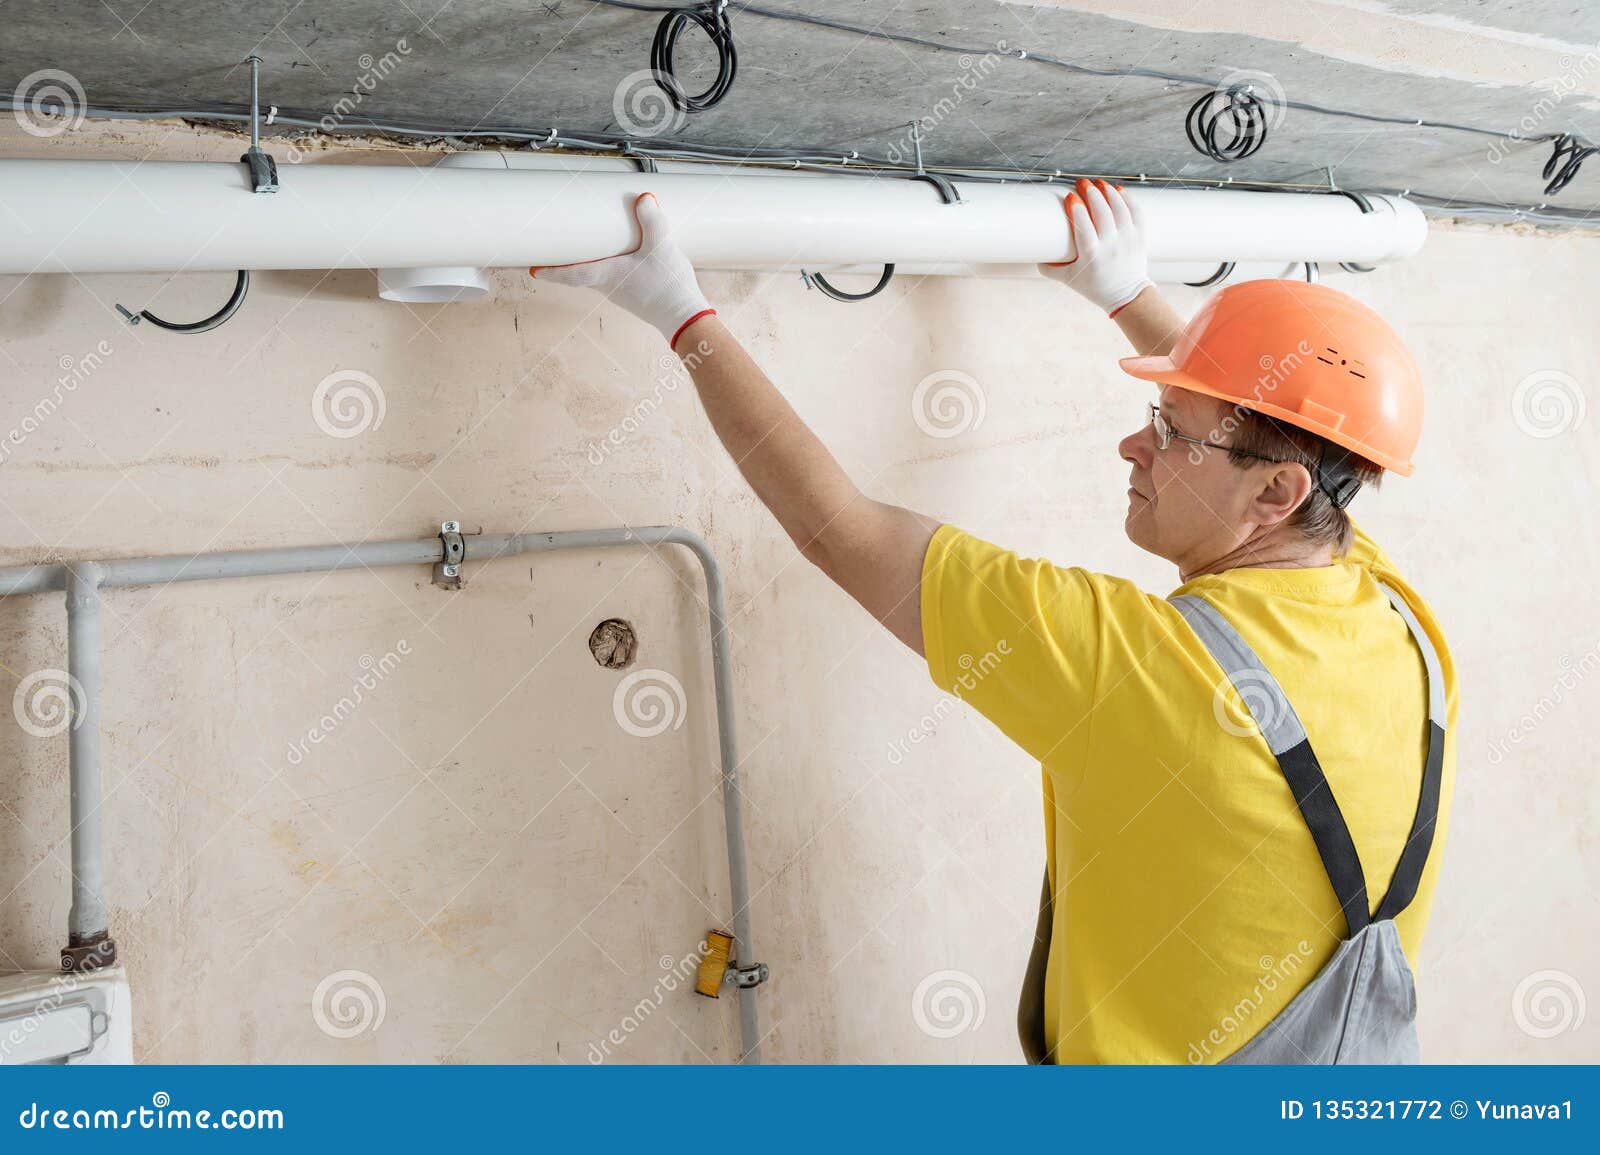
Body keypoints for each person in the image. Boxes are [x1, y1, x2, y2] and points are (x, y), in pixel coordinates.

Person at [533, 177, 1457, 1064]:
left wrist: (681, 316)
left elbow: (840, 529)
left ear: (1277, 494)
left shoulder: (1137, 664)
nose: (1134, 442)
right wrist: (1128, 293)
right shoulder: (1393, 611)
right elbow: (1279, 436)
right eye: (1156, 412)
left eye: (1169, 431)